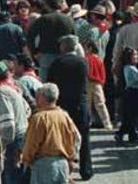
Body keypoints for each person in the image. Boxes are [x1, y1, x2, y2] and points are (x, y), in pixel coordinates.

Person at [47, 34, 92, 180]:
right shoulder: (83, 62)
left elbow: (50, 84)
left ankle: (64, 170)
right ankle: (86, 170)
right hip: (81, 104)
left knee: (62, 139)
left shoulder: (56, 63)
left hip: (63, 106)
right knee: (84, 139)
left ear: (63, 47)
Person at [21, 83, 79, 184]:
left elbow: (32, 143)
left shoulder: (39, 118)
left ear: (43, 97)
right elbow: (76, 138)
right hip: (62, 164)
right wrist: (71, 158)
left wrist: (26, 159)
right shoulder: (64, 116)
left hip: (44, 165)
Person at [115, 47, 138, 145]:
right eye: (134, 55)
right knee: (132, 116)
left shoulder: (132, 67)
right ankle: (133, 136)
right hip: (132, 93)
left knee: (129, 117)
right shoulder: (128, 68)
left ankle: (121, 133)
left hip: (134, 93)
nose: (137, 57)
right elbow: (131, 81)